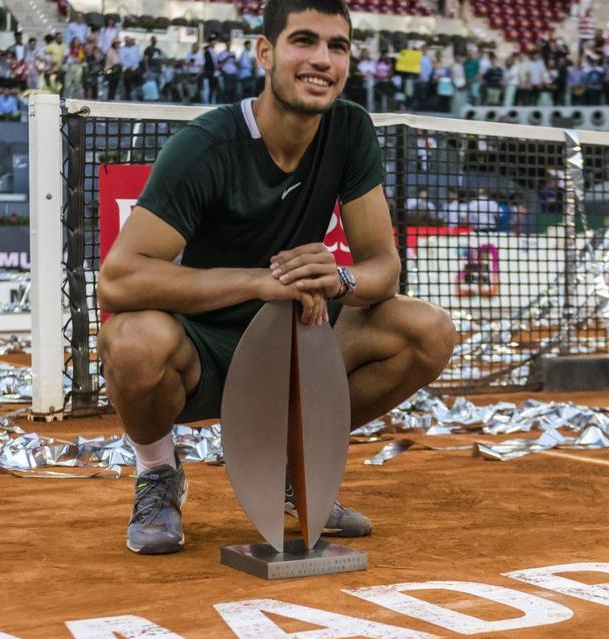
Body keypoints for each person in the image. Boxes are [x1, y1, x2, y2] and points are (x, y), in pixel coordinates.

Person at [97, 0, 456, 555]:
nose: (322, 60)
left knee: (427, 330)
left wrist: (338, 279)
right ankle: (158, 474)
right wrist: (260, 281)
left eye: (337, 47)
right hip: (204, 350)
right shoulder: (206, 146)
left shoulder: (351, 129)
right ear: (266, 52)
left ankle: (298, 467)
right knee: (132, 340)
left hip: (301, 337)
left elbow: (382, 265)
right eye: (304, 41)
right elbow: (118, 282)